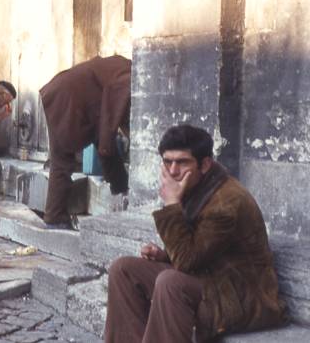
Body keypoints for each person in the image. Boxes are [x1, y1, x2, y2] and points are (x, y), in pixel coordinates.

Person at [104, 124, 286, 343]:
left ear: (205, 164)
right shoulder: (196, 185)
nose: (172, 171)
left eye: (182, 162)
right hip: (210, 277)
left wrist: (172, 203)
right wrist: (165, 256)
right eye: (167, 161)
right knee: (123, 269)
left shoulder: (226, 202)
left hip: (242, 298)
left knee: (170, 282)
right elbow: (200, 250)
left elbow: (188, 262)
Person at [39, 55, 131, 230]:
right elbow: (114, 112)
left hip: (66, 94)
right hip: (70, 99)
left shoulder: (122, 68)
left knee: (96, 147)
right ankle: (55, 217)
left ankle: (55, 215)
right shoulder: (130, 75)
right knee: (64, 159)